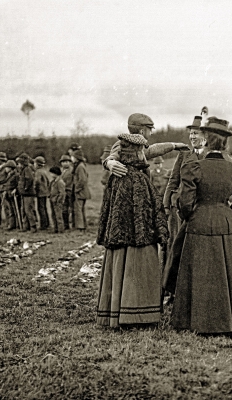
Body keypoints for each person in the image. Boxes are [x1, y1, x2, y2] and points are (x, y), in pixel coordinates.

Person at [97, 113, 187, 328]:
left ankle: (119, 307)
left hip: (122, 200)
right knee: (137, 244)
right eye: (150, 129)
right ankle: (134, 309)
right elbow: (112, 155)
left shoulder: (134, 148)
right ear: (142, 130)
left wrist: (174, 145)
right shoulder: (126, 148)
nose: (151, 133)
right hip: (132, 202)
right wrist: (109, 162)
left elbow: (150, 150)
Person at [171, 116, 232, 334]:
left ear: (206, 141)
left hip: (199, 220)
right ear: (225, 143)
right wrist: (226, 213)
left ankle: (198, 321)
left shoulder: (194, 167)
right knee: (230, 271)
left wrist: (191, 215)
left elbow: (186, 203)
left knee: (201, 271)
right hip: (226, 221)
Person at [162, 115, 206, 296]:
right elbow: (173, 180)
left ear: (206, 135)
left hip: (199, 210)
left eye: (196, 133)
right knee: (175, 247)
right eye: (191, 133)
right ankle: (172, 290)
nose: (192, 137)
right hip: (179, 210)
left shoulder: (212, 155)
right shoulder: (184, 154)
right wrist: (166, 204)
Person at [16, 153, 37, 233]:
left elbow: (29, 179)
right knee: (24, 210)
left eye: (19, 163)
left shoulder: (27, 169)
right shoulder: (23, 169)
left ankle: (33, 227)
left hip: (28, 193)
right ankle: (25, 226)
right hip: (24, 193)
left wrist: (26, 187)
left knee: (28, 210)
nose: (18, 165)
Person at [72, 149, 91, 232]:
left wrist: (76, 189)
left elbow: (82, 179)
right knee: (81, 209)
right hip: (83, 191)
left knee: (78, 209)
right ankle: (83, 225)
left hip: (81, 192)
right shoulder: (81, 165)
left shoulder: (80, 167)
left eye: (73, 156)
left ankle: (81, 227)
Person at [0, 160, 19, 230]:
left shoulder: (16, 175)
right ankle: (11, 224)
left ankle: (14, 225)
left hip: (13, 195)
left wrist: (16, 189)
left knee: (14, 210)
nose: (5, 169)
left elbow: (18, 184)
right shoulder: (9, 175)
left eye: (7, 167)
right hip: (8, 195)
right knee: (10, 210)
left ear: (11, 168)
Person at [34, 156, 50, 230]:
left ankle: (43, 225)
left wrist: (34, 188)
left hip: (40, 192)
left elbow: (37, 181)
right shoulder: (44, 171)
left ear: (37, 164)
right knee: (44, 208)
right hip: (45, 192)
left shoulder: (38, 172)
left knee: (41, 209)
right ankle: (47, 223)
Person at [49, 166, 66, 234]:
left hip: (57, 202)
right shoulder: (54, 181)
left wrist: (58, 200)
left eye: (51, 173)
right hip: (53, 200)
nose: (50, 175)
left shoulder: (60, 182)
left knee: (58, 216)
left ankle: (60, 229)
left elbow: (62, 193)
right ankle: (55, 228)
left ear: (55, 173)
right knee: (53, 215)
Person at [60, 155, 74, 230]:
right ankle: (66, 225)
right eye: (63, 162)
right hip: (63, 191)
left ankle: (72, 224)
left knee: (70, 208)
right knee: (64, 208)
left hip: (69, 191)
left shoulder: (72, 171)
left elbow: (70, 182)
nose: (65, 164)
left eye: (67, 162)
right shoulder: (61, 170)